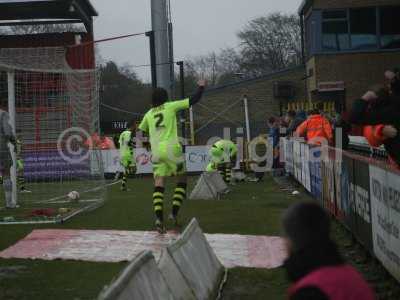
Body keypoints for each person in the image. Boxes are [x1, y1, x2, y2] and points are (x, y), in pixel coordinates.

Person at [138, 79, 206, 233]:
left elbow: (141, 132)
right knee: (182, 179)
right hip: (171, 149)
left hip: (156, 152)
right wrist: (201, 87)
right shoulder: (170, 106)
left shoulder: (148, 114)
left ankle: (159, 219)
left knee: (159, 183)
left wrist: (146, 145)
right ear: (165, 98)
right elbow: (193, 100)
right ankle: (173, 214)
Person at [283, 202, 375, 300]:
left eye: (286, 235)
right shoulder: (350, 274)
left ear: (295, 240)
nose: (284, 242)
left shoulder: (310, 292)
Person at [349, 69, 400, 167]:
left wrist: (364, 99)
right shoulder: (394, 105)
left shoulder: (379, 114)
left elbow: (354, 117)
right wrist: (394, 81)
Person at [0, 108, 17, 208]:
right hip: (1, 148)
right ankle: (9, 203)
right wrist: (14, 142)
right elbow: (7, 132)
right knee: (6, 174)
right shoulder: (2, 114)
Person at [118, 120, 136, 191]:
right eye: (133, 126)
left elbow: (120, 143)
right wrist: (135, 145)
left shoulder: (122, 133)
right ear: (131, 127)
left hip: (122, 153)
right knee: (134, 169)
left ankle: (123, 186)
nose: (134, 128)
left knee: (127, 170)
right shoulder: (129, 133)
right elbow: (129, 143)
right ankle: (120, 175)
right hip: (128, 154)